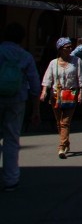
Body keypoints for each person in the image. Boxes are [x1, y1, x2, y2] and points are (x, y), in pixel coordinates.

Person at [0, 23, 41, 191]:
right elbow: (35, 84)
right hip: (17, 99)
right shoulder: (25, 56)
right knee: (11, 138)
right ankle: (11, 179)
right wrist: (36, 109)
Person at [39, 37, 82, 158]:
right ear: (60, 49)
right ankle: (66, 143)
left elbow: (81, 79)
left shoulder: (77, 61)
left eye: (71, 47)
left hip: (71, 94)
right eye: (67, 47)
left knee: (65, 121)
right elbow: (47, 78)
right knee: (59, 122)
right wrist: (44, 91)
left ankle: (61, 147)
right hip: (56, 95)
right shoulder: (53, 63)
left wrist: (81, 93)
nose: (70, 49)